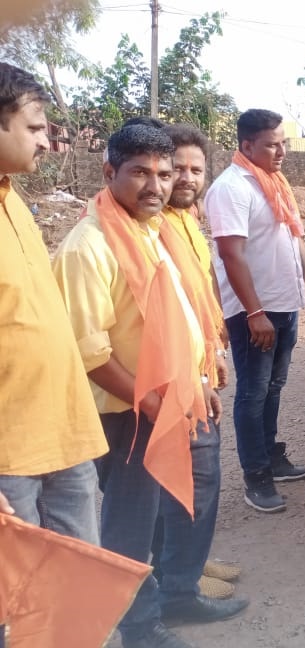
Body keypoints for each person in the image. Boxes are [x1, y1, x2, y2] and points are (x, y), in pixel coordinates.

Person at [54, 124, 239, 648]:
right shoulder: (88, 247)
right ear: (109, 172)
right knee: (130, 527)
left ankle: (171, 597)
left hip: (167, 402)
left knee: (159, 514)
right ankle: (137, 630)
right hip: (127, 410)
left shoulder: (146, 230)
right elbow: (90, 354)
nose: (156, 185)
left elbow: (172, 319)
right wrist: (157, 403)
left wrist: (198, 378)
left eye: (162, 173)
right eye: (140, 172)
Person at [0, 63, 108, 545]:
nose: (46, 142)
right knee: (17, 607)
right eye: (34, 127)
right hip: (10, 457)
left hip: (63, 431)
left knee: (78, 590)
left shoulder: (14, 200)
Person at [206, 109, 305, 513]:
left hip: (283, 303)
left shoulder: (274, 183)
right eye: (272, 144)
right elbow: (231, 255)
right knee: (253, 393)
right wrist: (254, 312)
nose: (281, 152)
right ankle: (255, 476)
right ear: (246, 146)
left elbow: (293, 239)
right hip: (253, 311)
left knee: (273, 387)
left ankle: (271, 456)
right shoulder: (231, 188)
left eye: (283, 143)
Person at [151, 122, 250, 605]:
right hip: (174, 378)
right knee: (196, 473)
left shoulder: (187, 217)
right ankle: (179, 579)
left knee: (195, 475)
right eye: (179, 169)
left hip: (199, 363)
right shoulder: (153, 226)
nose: (187, 178)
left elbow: (200, 288)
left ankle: (188, 559)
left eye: (196, 168)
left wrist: (216, 346)